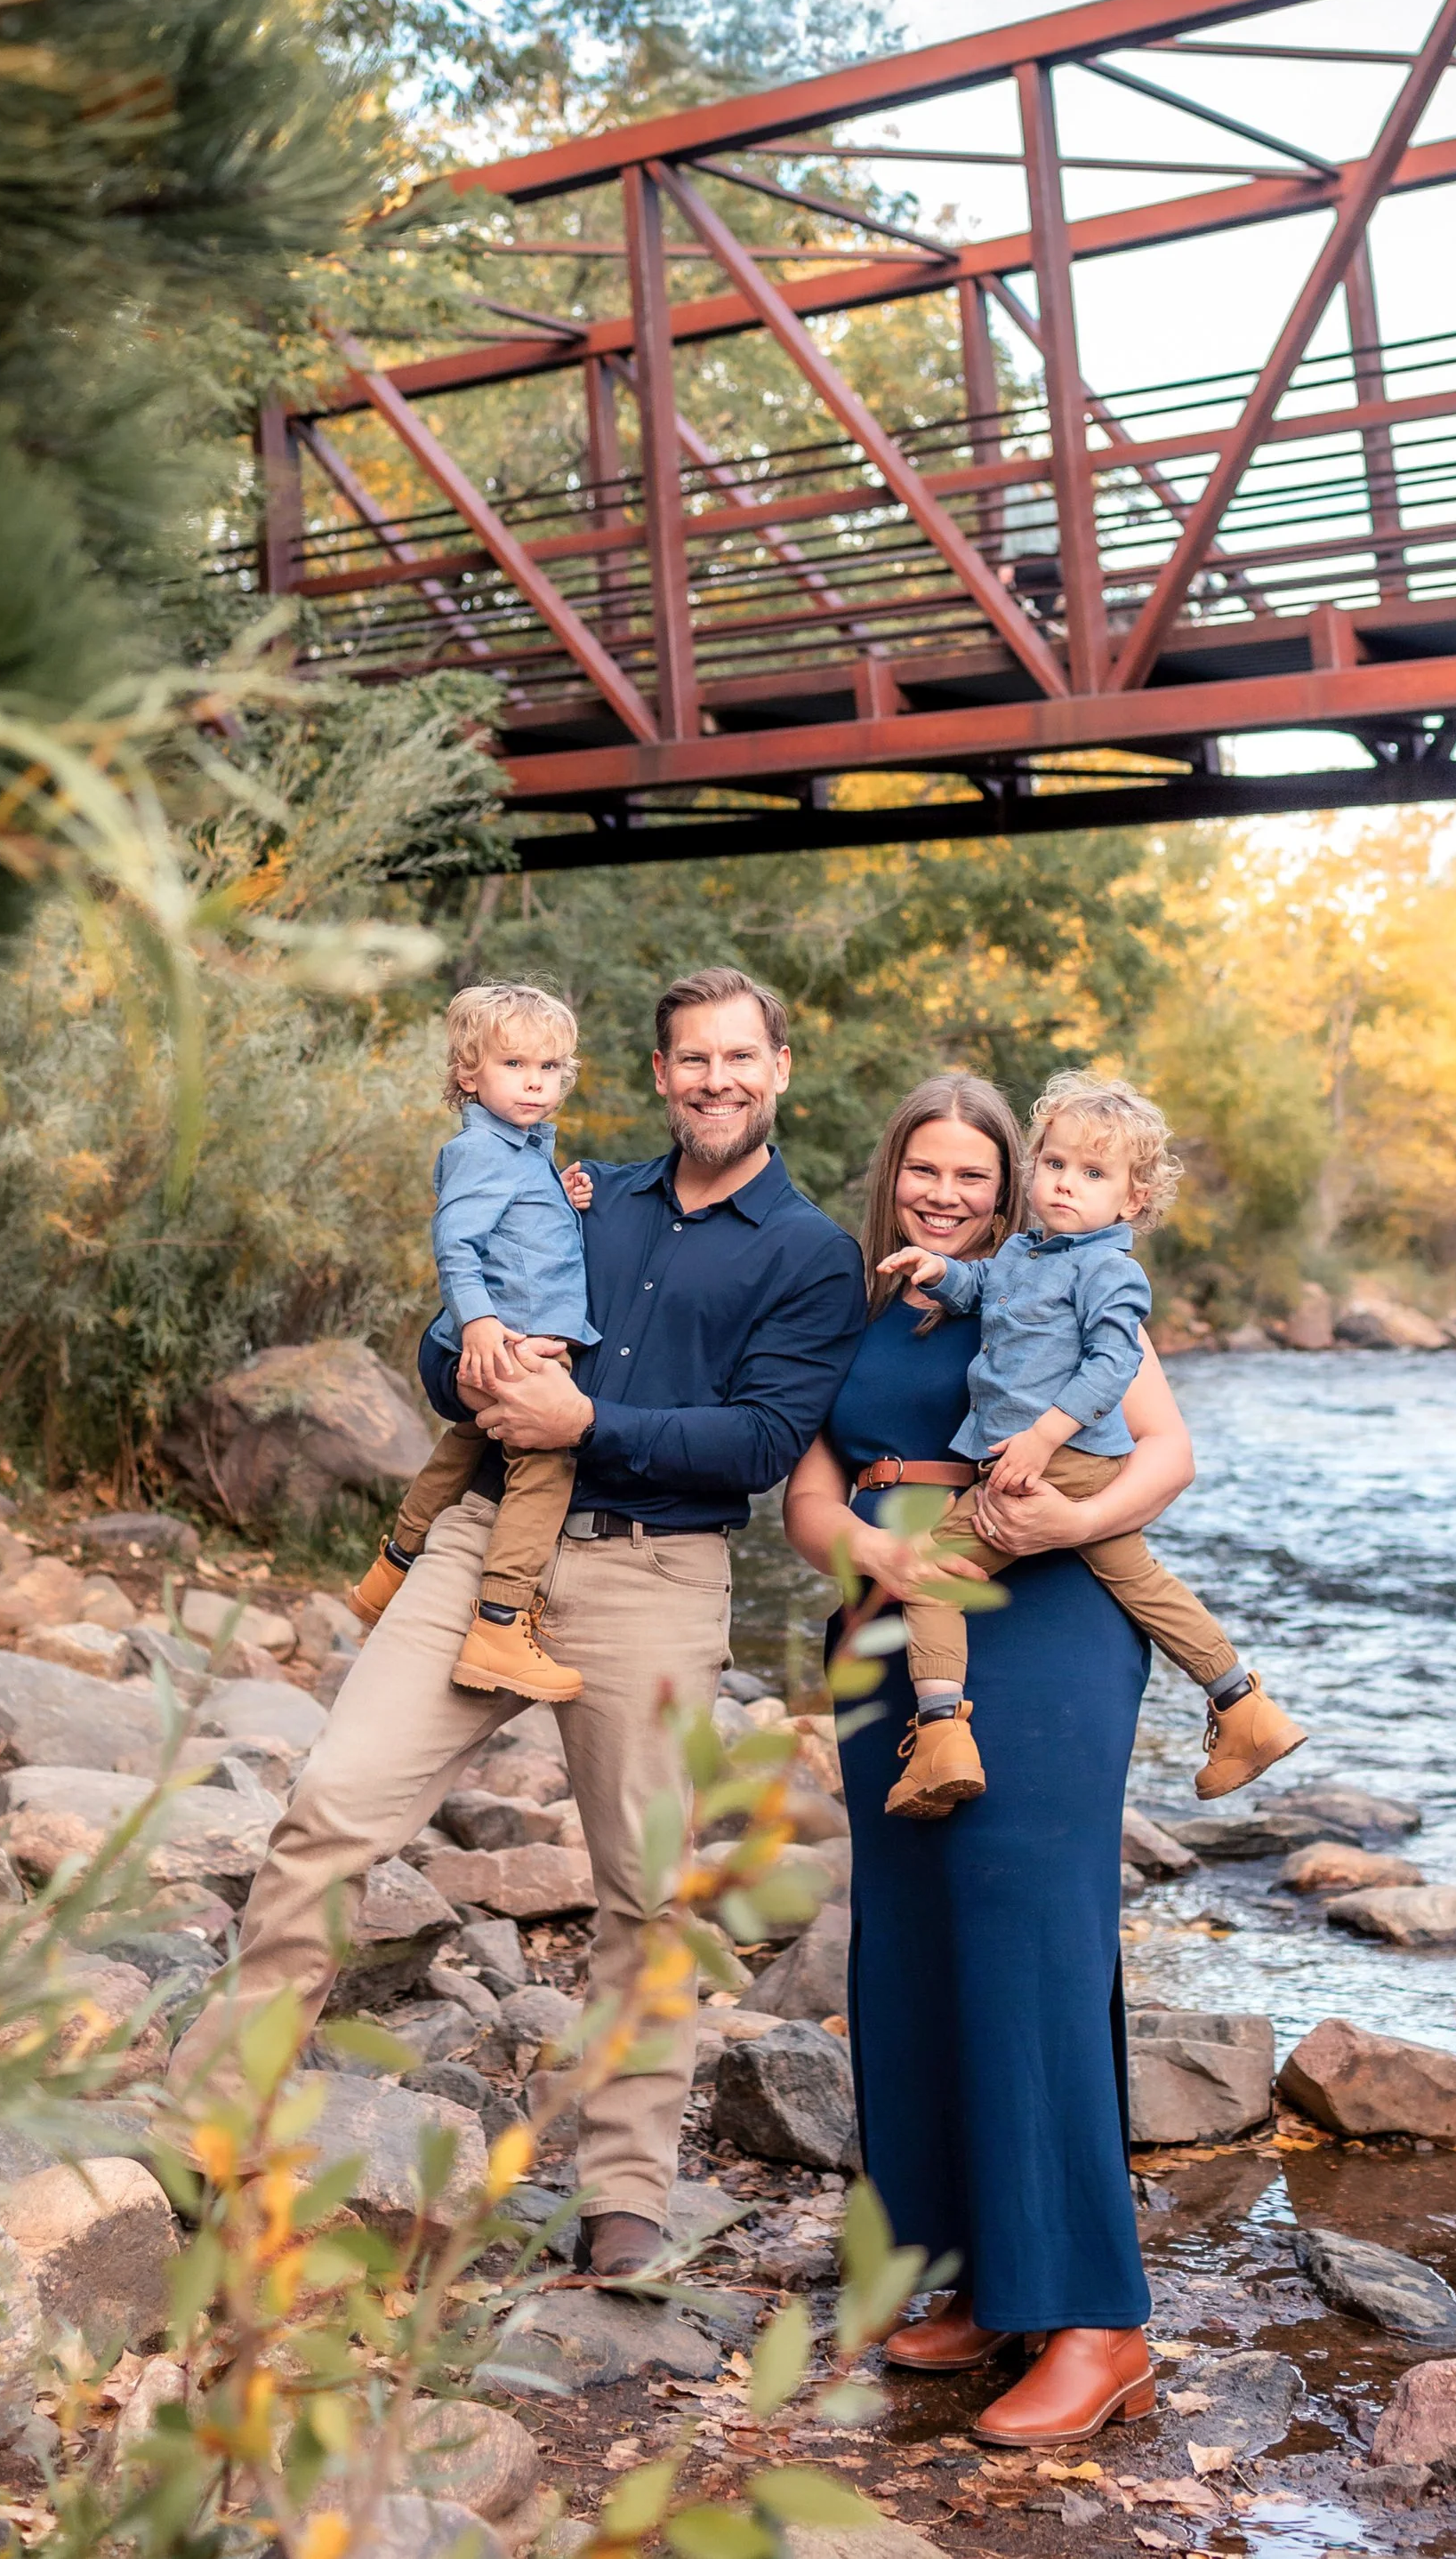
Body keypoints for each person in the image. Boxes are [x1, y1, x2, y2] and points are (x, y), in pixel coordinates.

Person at [173, 966, 865, 2286]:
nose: (715, 1079)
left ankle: (624, 2193)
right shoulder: (575, 1189)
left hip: (657, 1575)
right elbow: (447, 1340)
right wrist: (467, 1356)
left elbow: (767, 1440)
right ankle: (214, 2122)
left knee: (644, 1891)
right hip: (486, 1541)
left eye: (739, 1056)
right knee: (331, 1806)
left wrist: (589, 1420)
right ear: (659, 1075)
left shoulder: (810, 1252)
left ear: (779, 1067)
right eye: (691, 1058)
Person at [783, 1073, 1195, 2448]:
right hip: (887, 1627)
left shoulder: (1061, 1273)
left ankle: (1097, 2320)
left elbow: (1168, 1453)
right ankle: (977, 2274)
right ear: (891, 1173)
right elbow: (807, 1490)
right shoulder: (849, 1299)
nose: (947, 1195)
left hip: (1047, 1618)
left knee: (1031, 1939)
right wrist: (876, 1553)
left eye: (976, 1174)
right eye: (926, 1170)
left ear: (1014, 1180)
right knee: (915, 1947)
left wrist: (1068, 1525)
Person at [873, 1071, 1303, 1820]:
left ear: (1134, 1199)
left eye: (1094, 1172)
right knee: (1142, 1581)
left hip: (1056, 1460)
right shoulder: (1024, 1253)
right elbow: (980, 1288)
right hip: (1064, 1463)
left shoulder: (1109, 1269)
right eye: (1056, 1162)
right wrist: (940, 1271)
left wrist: (1041, 1440)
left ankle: (942, 1736)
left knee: (933, 1573)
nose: (1067, 1182)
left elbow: (1114, 1363)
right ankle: (1242, 1706)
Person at [346, 982, 599, 1707]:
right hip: (512, 1343)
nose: (535, 1081)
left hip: (514, 1338)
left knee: (466, 1443)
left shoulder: (522, 1152)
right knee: (547, 1463)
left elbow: (519, 1230)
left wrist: (560, 1198)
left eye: (549, 1067)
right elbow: (456, 1244)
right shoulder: (482, 1150)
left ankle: (389, 1573)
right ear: (467, 1072)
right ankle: (499, 1624)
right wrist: (480, 1323)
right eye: (514, 1064)